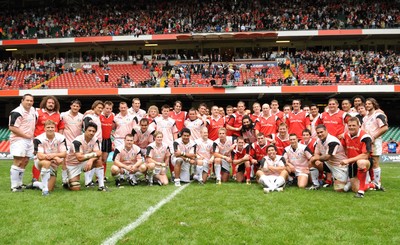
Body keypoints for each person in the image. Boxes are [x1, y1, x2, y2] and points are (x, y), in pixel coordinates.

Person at [32, 96, 65, 185]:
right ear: (45, 103)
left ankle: (48, 181)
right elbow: (32, 125)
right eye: (49, 102)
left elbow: (61, 128)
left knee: (53, 161)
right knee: (38, 158)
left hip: (53, 142)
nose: (51, 104)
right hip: (40, 142)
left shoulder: (59, 115)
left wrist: (59, 139)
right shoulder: (38, 113)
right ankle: (35, 179)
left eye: (53, 103)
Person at [66, 122, 108, 191]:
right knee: (75, 188)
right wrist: (94, 155)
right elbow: (80, 158)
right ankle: (67, 181)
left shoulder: (95, 139)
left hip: (84, 162)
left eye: (93, 131)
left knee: (99, 161)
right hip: (72, 165)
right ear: (84, 130)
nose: (91, 133)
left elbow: (99, 153)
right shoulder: (77, 141)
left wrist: (91, 160)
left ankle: (101, 186)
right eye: (89, 130)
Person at [31, 120, 67, 195]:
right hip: (40, 162)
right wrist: (55, 158)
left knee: (51, 188)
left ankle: (35, 184)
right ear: (44, 128)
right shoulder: (38, 139)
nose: (50, 129)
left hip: (54, 164)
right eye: (48, 127)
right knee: (47, 163)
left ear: (55, 128)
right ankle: (45, 190)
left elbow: (64, 154)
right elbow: (40, 156)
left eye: (52, 127)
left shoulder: (61, 138)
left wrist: (53, 156)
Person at [9, 94, 36, 192]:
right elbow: (12, 127)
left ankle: (19, 183)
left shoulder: (32, 110)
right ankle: (14, 186)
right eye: (27, 100)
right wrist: (26, 136)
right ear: (22, 100)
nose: (29, 102)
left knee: (25, 161)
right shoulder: (17, 112)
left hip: (29, 140)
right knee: (18, 161)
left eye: (31, 101)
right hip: (19, 139)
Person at [309, 125, 348, 192]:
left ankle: (348, 183)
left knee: (339, 189)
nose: (320, 134)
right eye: (318, 133)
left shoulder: (333, 141)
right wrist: (316, 159)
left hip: (339, 165)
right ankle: (316, 184)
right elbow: (316, 153)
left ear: (326, 131)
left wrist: (317, 158)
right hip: (329, 164)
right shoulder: (318, 140)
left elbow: (327, 157)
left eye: (321, 132)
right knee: (312, 161)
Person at [341, 117, 373, 198]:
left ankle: (361, 191)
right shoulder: (345, 135)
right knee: (354, 188)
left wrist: (348, 160)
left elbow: (366, 155)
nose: (351, 127)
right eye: (349, 125)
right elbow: (344, 146)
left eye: (354, 125)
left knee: (361, 162)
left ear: (359, 126)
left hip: (365, 162)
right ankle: (372, 185)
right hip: (352, 164)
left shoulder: (365, 137)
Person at [362, 98, 388, 190]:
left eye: (369, 104)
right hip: (367, 141)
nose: (367, 105)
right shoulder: (365, 117)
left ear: (374, 104)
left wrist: (374, 137)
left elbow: (385, 127)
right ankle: (370, 181)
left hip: (375, 141)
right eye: (366, 104)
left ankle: (377, 183)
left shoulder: (378, 115)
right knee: (368, 161)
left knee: (375, 162)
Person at [60, 99, 84, 187]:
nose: (75, 107)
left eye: (77, 106)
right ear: (71, 106)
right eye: (74, 106)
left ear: (79, 108)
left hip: (77, 143)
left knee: (77, 160)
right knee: (65, 160)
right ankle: (64, 179)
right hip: (66, 142)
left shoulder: (82, 117)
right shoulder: (63, 115)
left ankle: (75, 177)